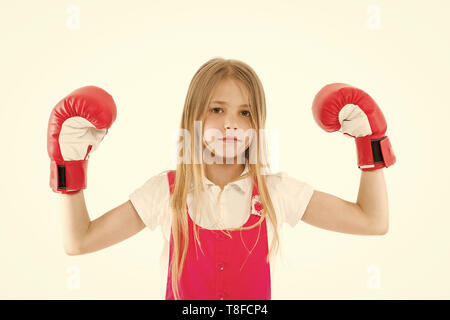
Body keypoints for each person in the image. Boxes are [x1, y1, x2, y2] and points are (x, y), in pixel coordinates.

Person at [48, 57, 395, 300]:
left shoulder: (274, 191)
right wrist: (70, 164)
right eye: (217, 109)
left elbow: (371, 221)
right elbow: (78, 242)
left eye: (245, 113)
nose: (231, 124)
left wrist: (370, 145)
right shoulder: (167, 191)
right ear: (193, 116)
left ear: (256, 125)